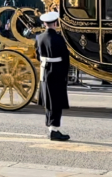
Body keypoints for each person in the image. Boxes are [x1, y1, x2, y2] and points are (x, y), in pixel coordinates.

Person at [35, 11, 70, 142]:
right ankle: (54, 130)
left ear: (44, 24)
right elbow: (65, 58)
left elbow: (38, 55)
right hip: (56, 71)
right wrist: (65, 74)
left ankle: (50, 128)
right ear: (55, 23)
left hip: (45, 71)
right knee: (56, 101)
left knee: (48, 102)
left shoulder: (39, 37)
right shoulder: (58, 38)